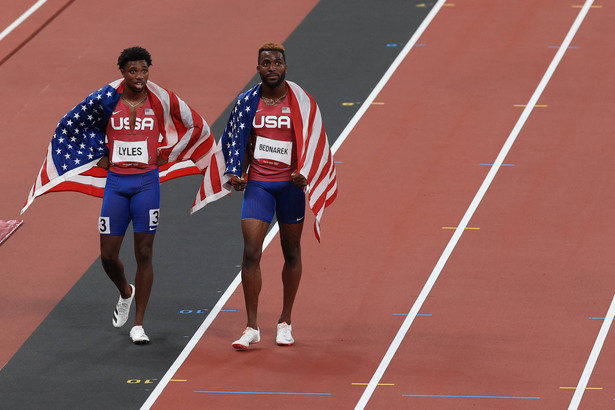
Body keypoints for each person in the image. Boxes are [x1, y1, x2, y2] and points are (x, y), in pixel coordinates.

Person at [24, 46, 225, 344]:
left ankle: (139, 324)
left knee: (144, 253)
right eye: (133, 71)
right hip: (116, 184)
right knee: (107, 255)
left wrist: (168, 153)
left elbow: (196, 125)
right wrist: (98, 153)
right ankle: (125, 292)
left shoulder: (160, 99)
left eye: (144, 70)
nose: (140, 76)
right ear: (123, 72)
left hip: (146, 184)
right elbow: (72, 124)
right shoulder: (107, 98)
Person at [221, 43, 338, 350]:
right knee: (250, 252)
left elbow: (315, 142)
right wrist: (238, 172)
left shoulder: (302, 103)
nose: (271, 67)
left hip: (290, 186)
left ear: (285, 68)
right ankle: (251, 327)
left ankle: (285, 321)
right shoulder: (247, 102)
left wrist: (306, 172)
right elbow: (239, 139)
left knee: (292, 252)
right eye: (265, 63)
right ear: (257, 68)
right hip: (259, 184)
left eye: (277, 63)